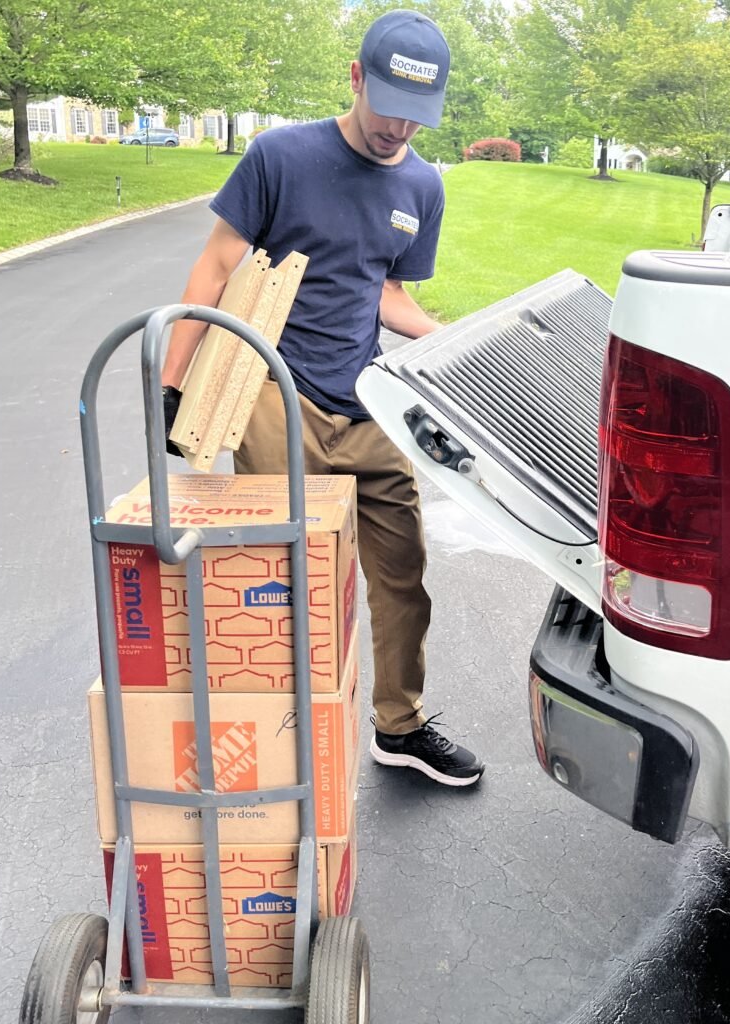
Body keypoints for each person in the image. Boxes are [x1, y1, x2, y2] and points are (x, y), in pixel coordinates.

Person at [160, 9, 484, 787]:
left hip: (366, 402)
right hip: (277, 390)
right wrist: (173, 382)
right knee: (283, 572)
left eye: (417, 113)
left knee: (402, 573)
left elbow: (386, 293)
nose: (398, 127)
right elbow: (214, 267)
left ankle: (398, 727)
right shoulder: (281, 156)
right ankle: (274, 729)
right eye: (386, 105)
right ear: (353, 80)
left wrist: (445, 341)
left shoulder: (420, 184)